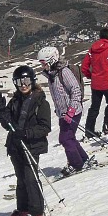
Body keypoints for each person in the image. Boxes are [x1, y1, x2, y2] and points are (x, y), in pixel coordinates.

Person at [0, 65, 52, 216]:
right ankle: (23, 208)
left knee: (30, 178)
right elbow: (9, 125)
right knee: (21, 179)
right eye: (19, 82)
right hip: (16, 146)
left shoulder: (41, 102)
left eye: (26, 81)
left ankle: (37, 210)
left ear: (32, 81)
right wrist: (1, 109)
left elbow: (45, 127)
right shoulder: (15, 100)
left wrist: (25, 133)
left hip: (32, 146)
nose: (23, 85)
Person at [38, 46, 92, 177]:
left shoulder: (64, 72)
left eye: (43, 63)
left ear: (51, 60)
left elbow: (75, 90)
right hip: (63, 113)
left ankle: (76, 164)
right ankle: (83, 159)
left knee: (65, 138)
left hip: (72, 111)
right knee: (69, 137)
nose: (42, 66)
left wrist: (71, 110)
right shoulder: (52, 74)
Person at [81, 27, 108, 138]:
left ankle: (89, 131)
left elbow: (84, 67)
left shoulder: (92, 50)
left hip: (95, 85)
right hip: (107, 83)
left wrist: (90, 76)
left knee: (94, 107)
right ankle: (107, 125)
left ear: (99, 37)